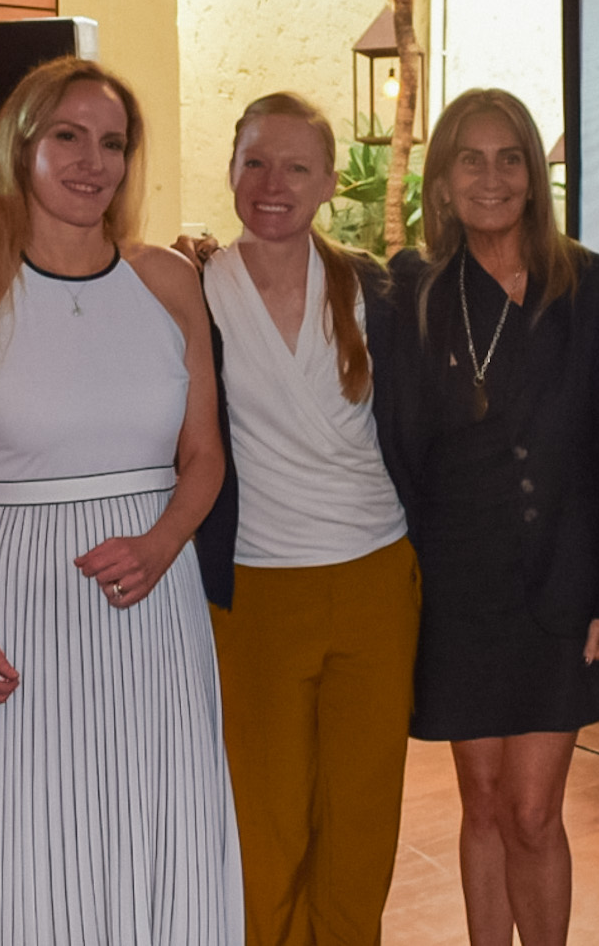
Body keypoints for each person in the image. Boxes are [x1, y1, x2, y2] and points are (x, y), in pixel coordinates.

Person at [0, 56, 242, 944]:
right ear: (22, 145)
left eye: (112, 142)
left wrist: (165, 540)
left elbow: (205, 455)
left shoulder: (171, 281)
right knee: (24, 846)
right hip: (11, 600)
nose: (93, 160)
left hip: (151, 593)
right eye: (68, 136)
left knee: (153, 817)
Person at [387, 88, 599, 946]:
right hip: (460, 592)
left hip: (561, 590)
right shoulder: (415, 292)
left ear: (534, 176)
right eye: (471, 158)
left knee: (535, 810)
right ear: (444, 177)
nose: (490, 178)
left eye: (509, 159)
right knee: (484, 804)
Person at [193, 93, 421, 946]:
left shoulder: (378, 291)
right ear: (231, 171)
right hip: (255, 592)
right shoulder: (194, 289)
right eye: (255, 161)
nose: (273, 182)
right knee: (265, 824)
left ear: (329, 180)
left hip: (375, 580)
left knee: (362, 819)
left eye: (295, 165)